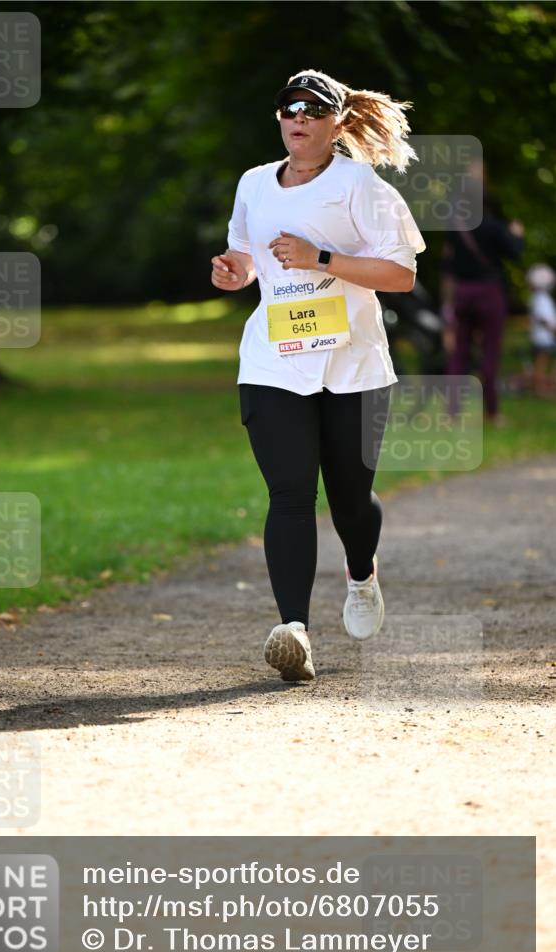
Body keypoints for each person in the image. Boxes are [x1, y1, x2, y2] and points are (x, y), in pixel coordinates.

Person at [210, 68, 426, 683]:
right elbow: (248, 255)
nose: (298, 117)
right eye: (289, 108)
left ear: (337, 122)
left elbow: (401, 274)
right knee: (289, 493)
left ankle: (361, 574)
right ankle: (294, 631)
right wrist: (235, 271)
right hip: (275, 360)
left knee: (350, 498)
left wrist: (320, 259)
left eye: (312, 109)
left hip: (353, 364)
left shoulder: (360, 184)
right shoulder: (254, 183)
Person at [440, 163, 524, 426]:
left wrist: (446, 304)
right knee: (490, 352)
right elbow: (515, 253)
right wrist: (517, 235)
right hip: (489, 293)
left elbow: (448, 265)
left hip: (462, 293)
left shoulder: (456, 228)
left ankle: (453, 414)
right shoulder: (493, 226)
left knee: (459, 355)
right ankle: (492, 412)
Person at [526, 262, 556, 397]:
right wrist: (553, 329)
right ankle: (540, 388)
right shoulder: (541, 298)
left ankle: (543, 386)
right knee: (542, 361)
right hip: (543, 337)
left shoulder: (540, 297)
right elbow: (543, 318)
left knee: (542, 361)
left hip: (543, 336)